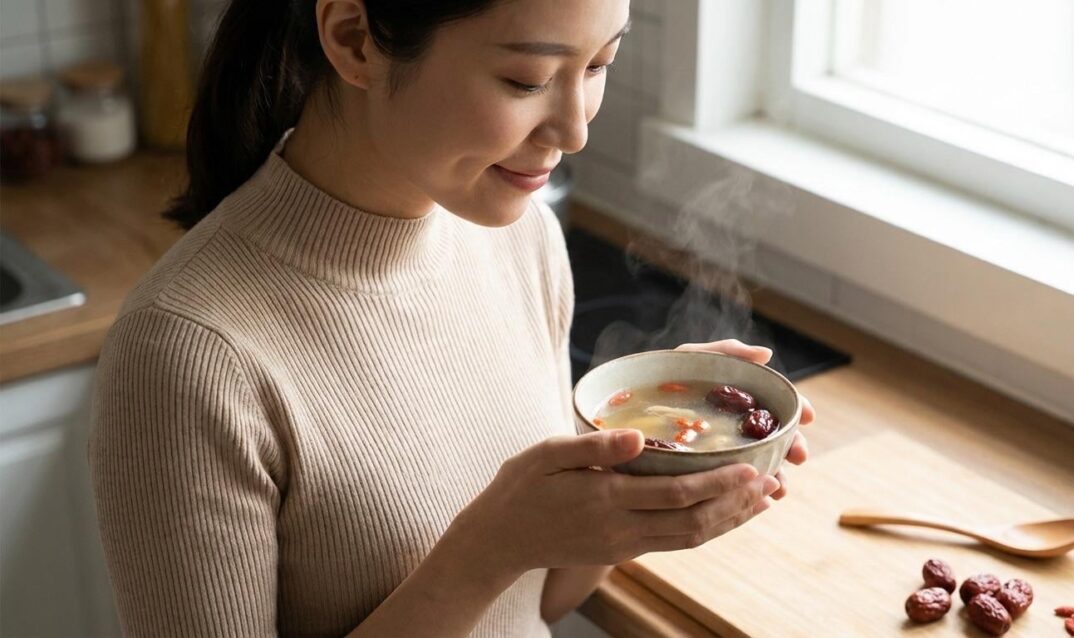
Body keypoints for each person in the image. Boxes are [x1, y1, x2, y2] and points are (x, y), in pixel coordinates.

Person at [88, 0, 816, 636]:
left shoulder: (521, 239)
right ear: (353, 39)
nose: (572, 130)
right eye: (527, 80)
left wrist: (648, 478)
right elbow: (494, 562)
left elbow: (535, 603)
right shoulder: (188, 355)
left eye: (599, 64)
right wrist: (486, 548)